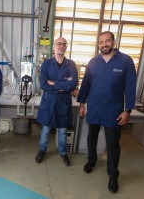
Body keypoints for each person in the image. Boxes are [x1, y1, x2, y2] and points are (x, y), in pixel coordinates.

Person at [77, 31, 136, 193]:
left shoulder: (125, 61)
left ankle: (113, 176)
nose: (104, 44)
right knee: (92, 137)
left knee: (112, 144)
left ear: (113, 42)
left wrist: (127, 110)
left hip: (113, 111)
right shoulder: (93, 62)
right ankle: (91, 161)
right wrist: (82, 104)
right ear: (98, 44)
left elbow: (130, 87)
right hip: (94, 108)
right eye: (101, 42)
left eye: (107, 41)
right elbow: (85, 85)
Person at [35, 37, 78, 166]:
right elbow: (43, 84)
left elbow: (73, 84)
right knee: (46, 129)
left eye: (64, 44)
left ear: (66, 47)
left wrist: (54, 83)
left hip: (63, 103)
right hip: (49, 102)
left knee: (62, 130)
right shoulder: (46, 64)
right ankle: (42, 150)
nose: (61, 46)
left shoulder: (71, 64)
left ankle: (63, 152)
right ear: (54, 46)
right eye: (59, 44)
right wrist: (63, 86)